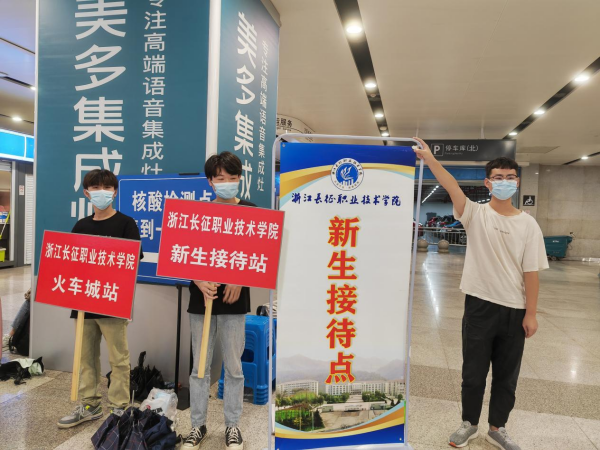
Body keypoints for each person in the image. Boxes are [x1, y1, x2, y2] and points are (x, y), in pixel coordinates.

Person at [413, 138, 548, 450]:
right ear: (488, 183)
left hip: (514, 310)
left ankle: (497, 428)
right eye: (498, 177)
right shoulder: (475, 214)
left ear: (517, 182)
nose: (504, 182)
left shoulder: (528, 225)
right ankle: (469, 424)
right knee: (473, 373)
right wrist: (431, 159)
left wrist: (531, 313)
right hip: (479, 307)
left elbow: (532, 272)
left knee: (507, 376)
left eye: (510, 177)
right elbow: (451, 186)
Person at [57, 169, 143, 429]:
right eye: (95, 188)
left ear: (115, 192)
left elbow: (133, 261)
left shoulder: (126, 223)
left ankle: (119, 407)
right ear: (86, 193)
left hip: (112, 302)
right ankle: (89, 404)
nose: (101, 192)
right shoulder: (81, 226)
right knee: (85, 357)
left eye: (107, 187)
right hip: (83, 302)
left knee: (119, 359)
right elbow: (71, 262)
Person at [183, 152, 253, 450]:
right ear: (210, 181)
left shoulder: (251, 212)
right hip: (202, 299)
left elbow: (260, 255)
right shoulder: (197, 213)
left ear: (240, 179)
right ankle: (197, 426)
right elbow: (182, 254)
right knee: (200, 367)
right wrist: (198, 280)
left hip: (234, 301)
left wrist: (240, 278)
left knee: (234, 367)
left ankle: (232, 426)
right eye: (220, 178)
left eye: (232, 178)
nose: (227, 183)